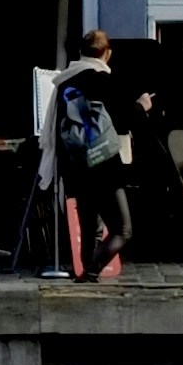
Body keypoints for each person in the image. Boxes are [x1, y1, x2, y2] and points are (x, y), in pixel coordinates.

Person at [42, 21, 131, 283]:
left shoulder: (63, 83)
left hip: (77, 166)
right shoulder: (103, 80)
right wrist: (141, 107)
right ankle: (90, 272)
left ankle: (84, 273)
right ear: (107, 53)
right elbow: (123, 123)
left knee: (89, 224)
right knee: (123, 229)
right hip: (105, 165)